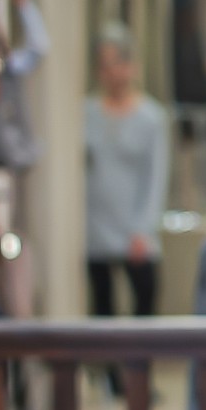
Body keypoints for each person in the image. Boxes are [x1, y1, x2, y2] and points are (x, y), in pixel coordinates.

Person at [85, 27, 169, 387]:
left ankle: (139, 376)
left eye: (118, 64)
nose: (112, 74)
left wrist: (143, 229)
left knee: (144, 303)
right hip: (96, 224)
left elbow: (156, 178)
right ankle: (110, 377)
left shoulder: (151, 117)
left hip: (135, 227)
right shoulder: (85, 112)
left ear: (132, 67)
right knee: (103, 305)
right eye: (104, 66)